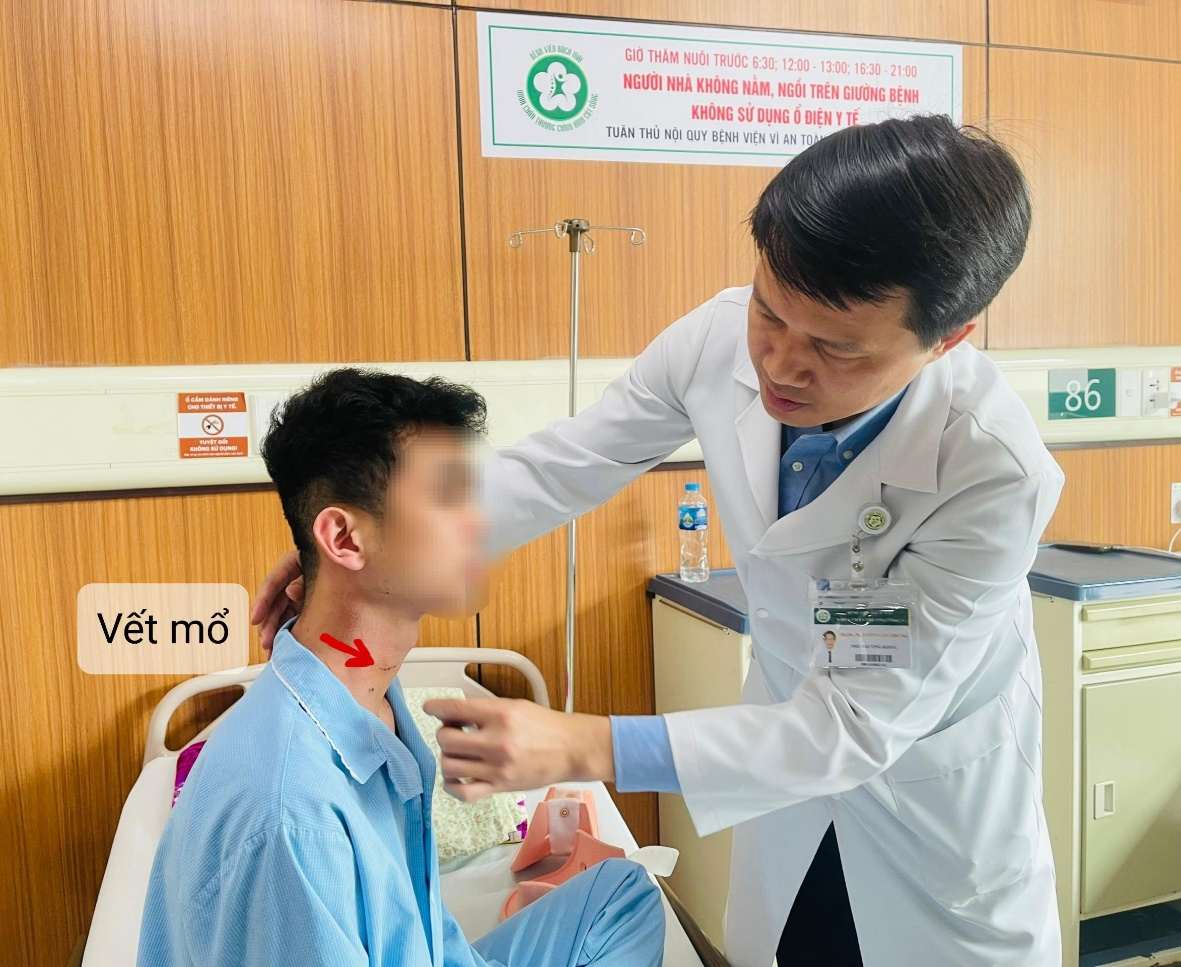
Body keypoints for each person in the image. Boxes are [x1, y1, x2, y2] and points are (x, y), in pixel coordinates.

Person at [252, 115, 1064, 966]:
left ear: (947, 337)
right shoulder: (717, 339)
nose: (779, 364)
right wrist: (381, 542)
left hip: (926, 803)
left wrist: (583, 743)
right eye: (769, 311)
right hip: (786, 774)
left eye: (833, 347)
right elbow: (568, 463)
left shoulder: (991, 470)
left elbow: (849, 730)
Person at [140, 368, 664, 967]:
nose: (483, 525)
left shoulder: (368, 702)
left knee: (621, 895)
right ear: (344, 538)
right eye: (449, 499)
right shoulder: (293, 816)